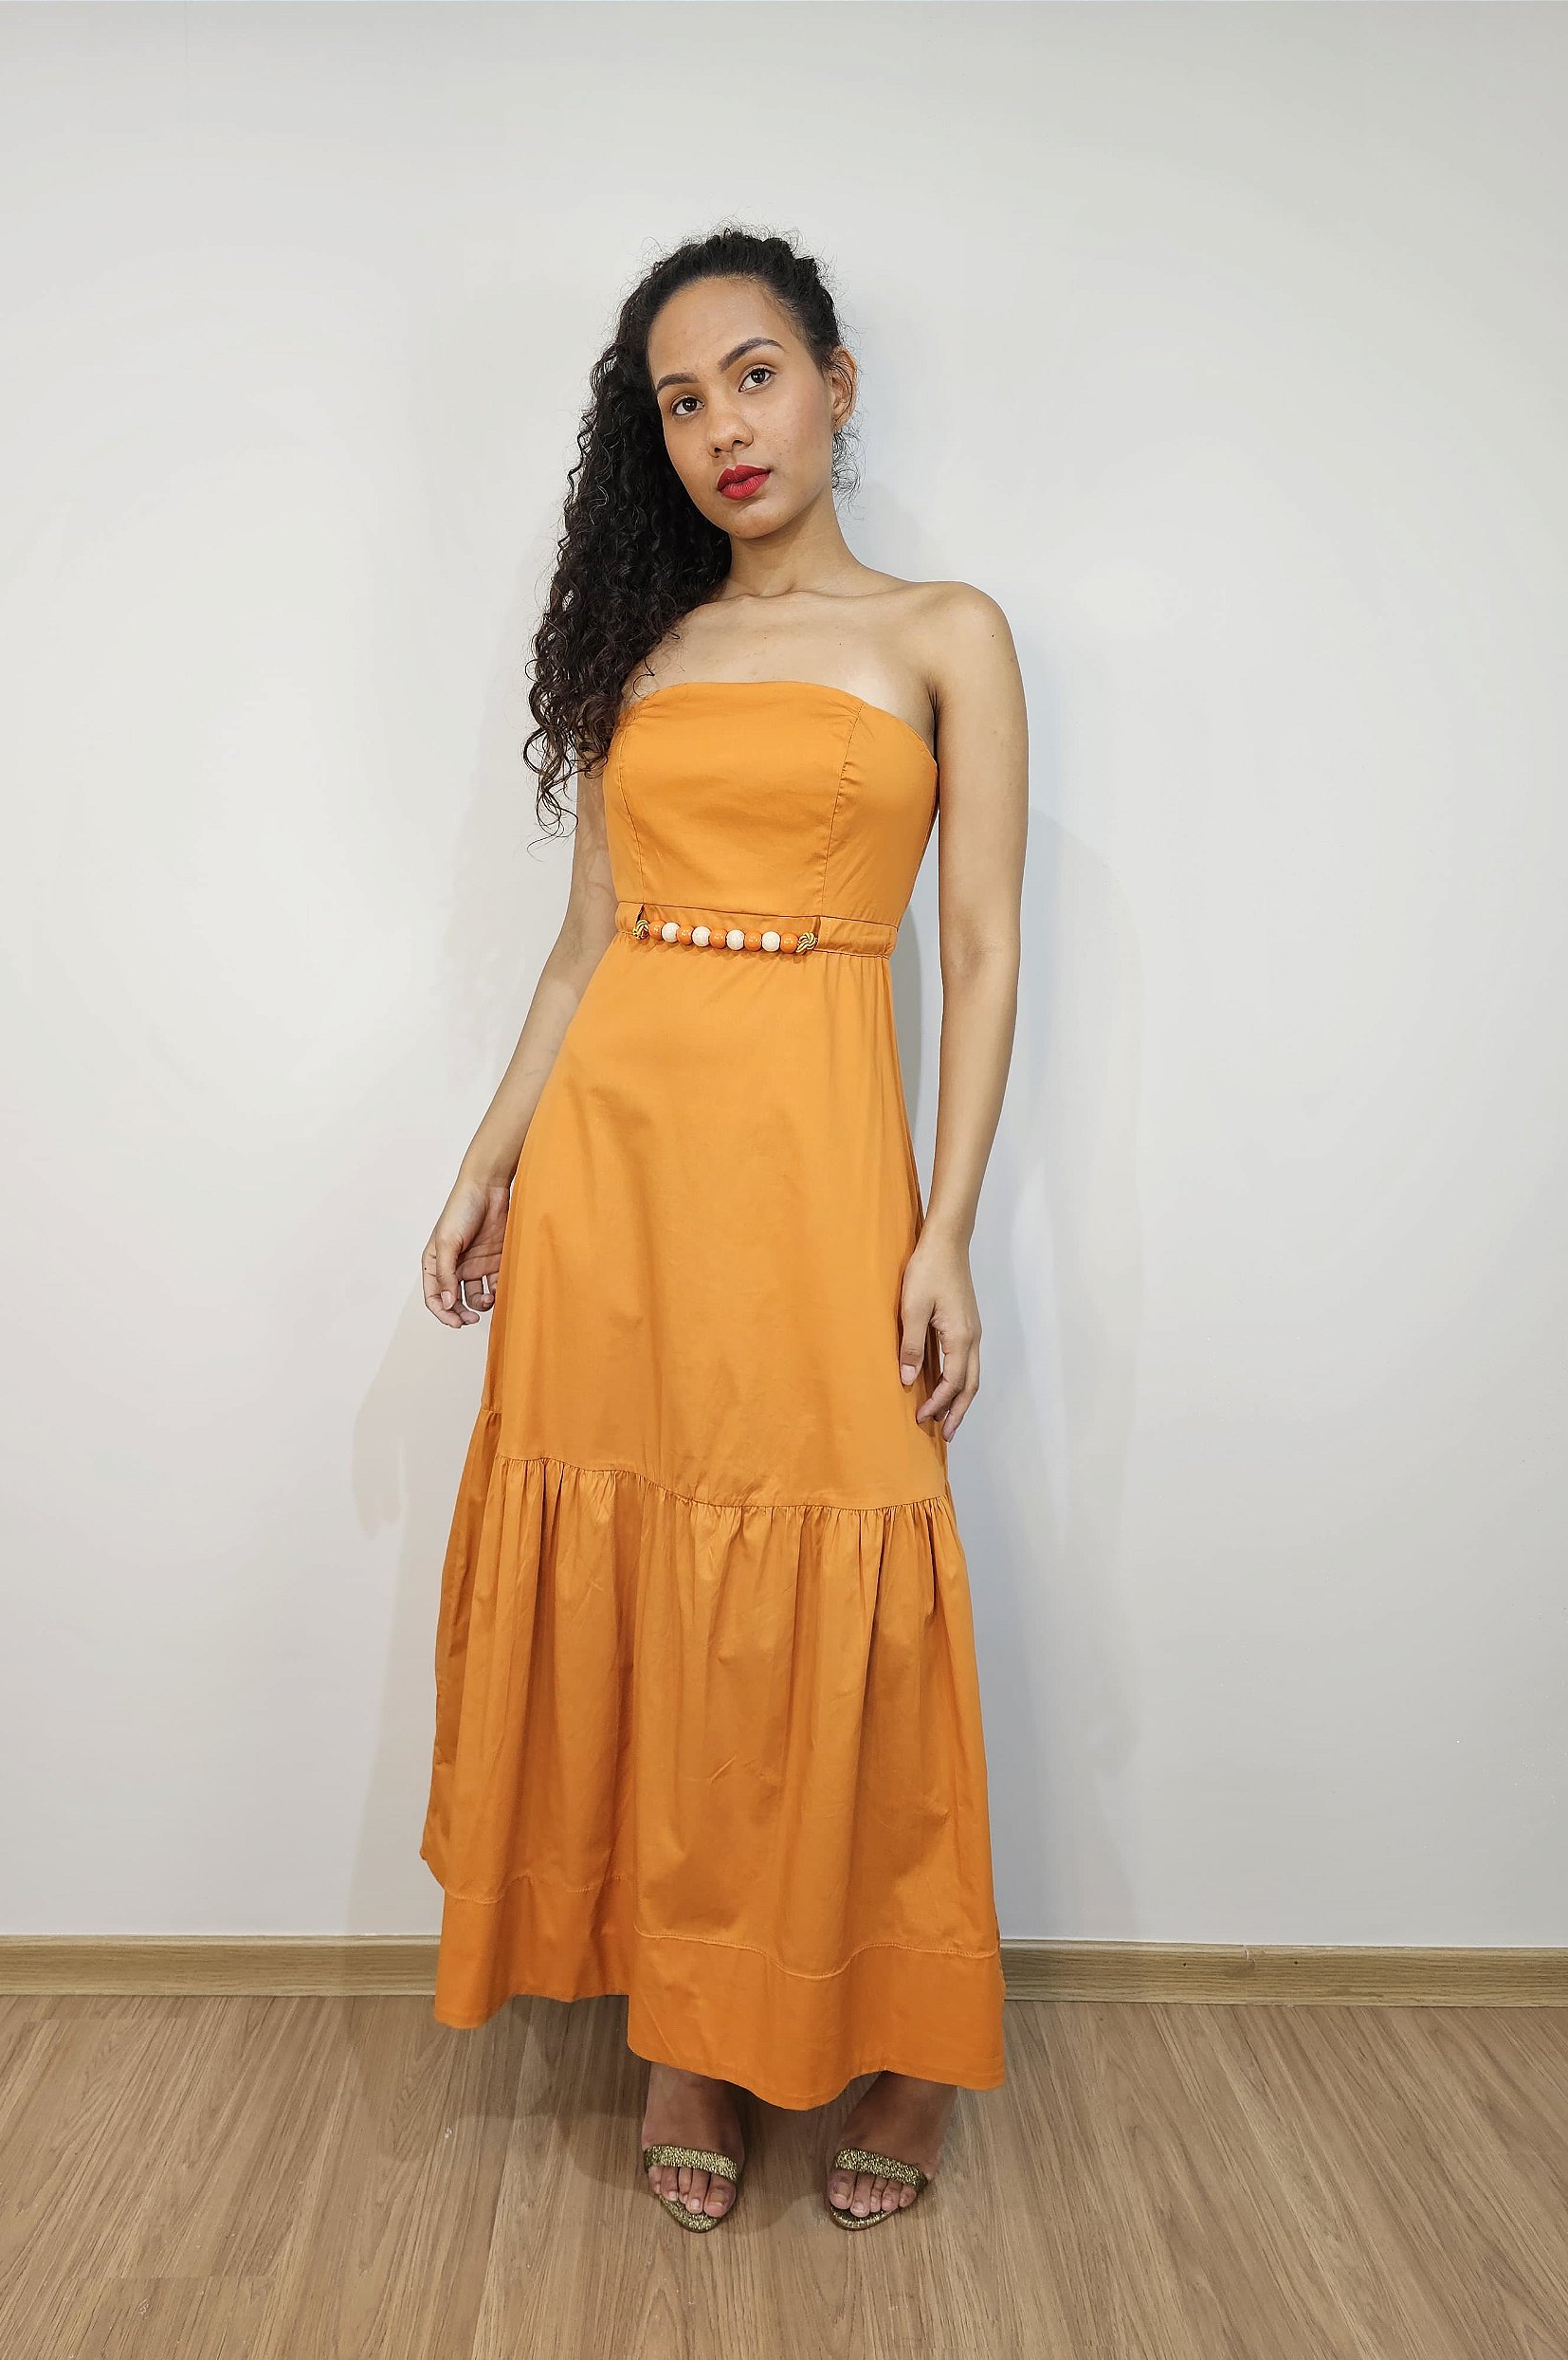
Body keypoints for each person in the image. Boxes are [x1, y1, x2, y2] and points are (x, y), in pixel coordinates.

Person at [419, 224, 1028, 2235]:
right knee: (653, 1572)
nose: (722, 429)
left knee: (849, 1549)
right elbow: (582, 944)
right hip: (620, 1176)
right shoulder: (650, 650)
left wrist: (946, 1230)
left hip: (816, 1169)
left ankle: (909, 2039)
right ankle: (680, 2024)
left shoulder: (945, 630)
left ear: (835, 383)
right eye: (680, 402)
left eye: (754, 376)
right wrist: (489, 1160)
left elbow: (981, 947)